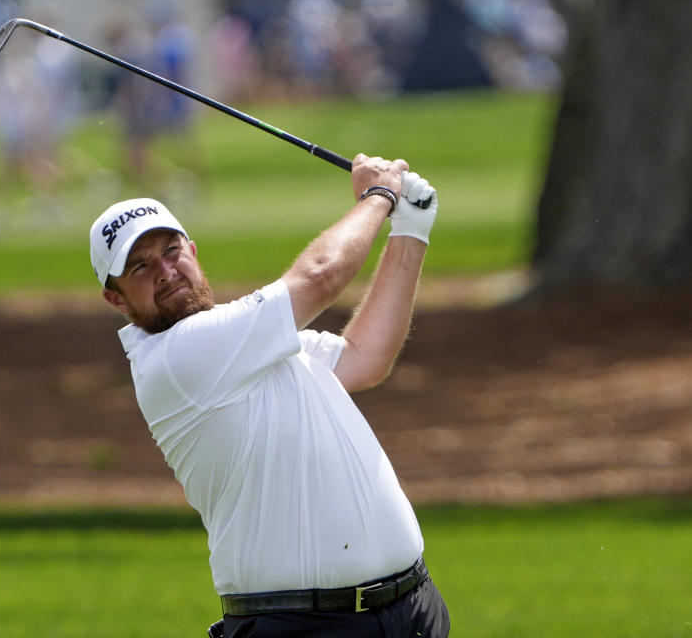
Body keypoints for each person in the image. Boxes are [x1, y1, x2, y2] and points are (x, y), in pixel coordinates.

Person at [89, 154, 449, 638]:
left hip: (412, 609)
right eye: (139, 266)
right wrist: (379, 196)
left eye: (172, 251)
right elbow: (319, 276)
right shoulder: (177, 358)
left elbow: (365, 357)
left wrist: (411, 231)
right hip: (304, 626)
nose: (165, 271)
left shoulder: (244, 342)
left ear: (194, 251)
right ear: (117, 300)